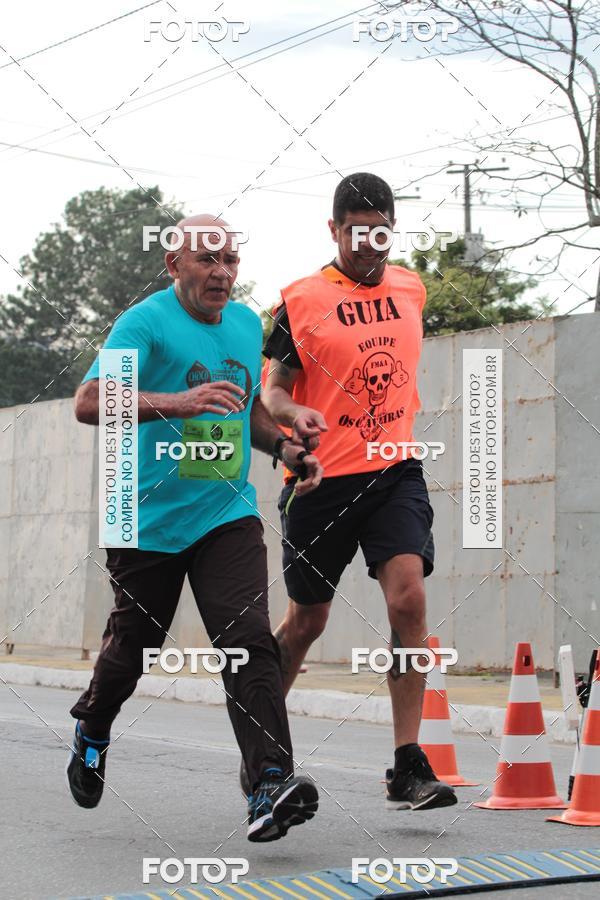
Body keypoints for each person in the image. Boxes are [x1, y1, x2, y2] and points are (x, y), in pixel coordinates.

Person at [67, 214, 322, 842]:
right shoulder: (146, 324)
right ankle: (93, 726)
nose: (222, 273)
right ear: (173, 265)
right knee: (133, 650)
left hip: (223, 513)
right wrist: (177, 404)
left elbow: (245, 415)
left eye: (231, 260)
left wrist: (283, 449)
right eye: (207, 260)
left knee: (247, 635)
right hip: (144, 514)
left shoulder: (242, 323)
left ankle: (267, 784)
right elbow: (89, 401)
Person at [261, 174, 457, 811]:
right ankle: (263, 751)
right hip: (320, 483)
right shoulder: (300, 300)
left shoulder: (411, 287)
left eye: (381, 231)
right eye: (357, 231)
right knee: (305, 623)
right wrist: (294, 416)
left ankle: (407, 763)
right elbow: (273, 391)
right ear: (335, 230)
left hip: (393, 474)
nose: (371, 244)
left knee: (409, 600)